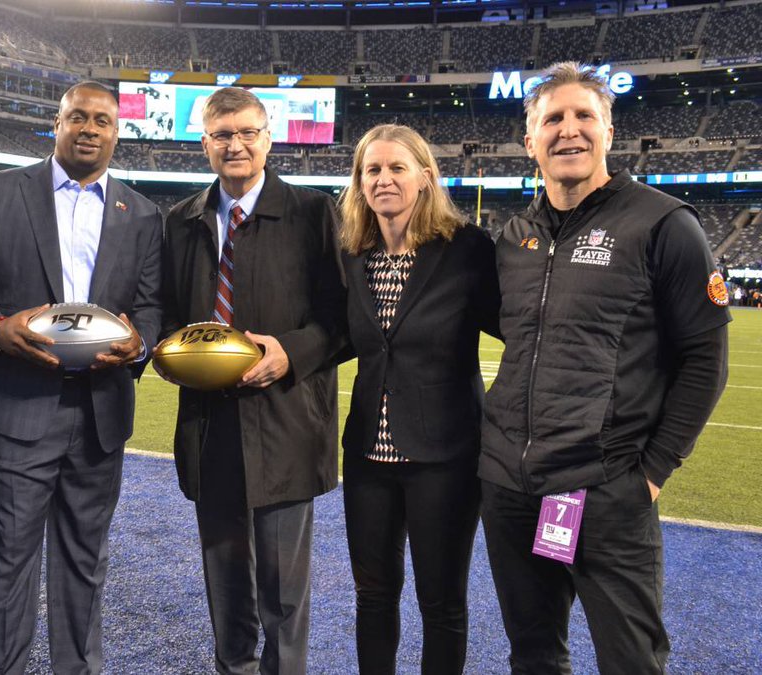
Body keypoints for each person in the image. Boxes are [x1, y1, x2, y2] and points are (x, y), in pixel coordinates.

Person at [480, 61, 730, 674]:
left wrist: (652, 471)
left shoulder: (664, 223)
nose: (569, 130)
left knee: (631, 660)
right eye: (553, 119)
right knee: (534, 655)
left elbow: (705, 358)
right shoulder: (513, 237)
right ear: (529, 140)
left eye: (583, 116)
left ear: (609, 131)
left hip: (605, 486)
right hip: (513, 486)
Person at [0, 80, 162, 674]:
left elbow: (148, 307)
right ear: (57, 123)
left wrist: (136, 343)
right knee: (12, 555)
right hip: (20, 404)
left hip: (101, 414)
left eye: (102, 121)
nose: (89, 129)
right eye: (77, 118)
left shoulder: (141, 213)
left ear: (117, 132)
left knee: (84, 560)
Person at [160, 86, 346, 675]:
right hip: (210, 425)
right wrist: (178, 356)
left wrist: (289, 353)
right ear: (205, 143)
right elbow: (166, 316)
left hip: (285, 420)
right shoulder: (181, 220)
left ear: (268, 138)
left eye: (247, 132)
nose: (235, 144)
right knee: (225, 584)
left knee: (283, 590)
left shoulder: (314, 212)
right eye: (222, 135)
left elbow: (343, 321)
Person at [337, 124, 499, 675]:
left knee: (442, 603)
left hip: (446, 458)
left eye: (397, 167)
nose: (383, 179)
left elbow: (520, 330)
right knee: (373, 597)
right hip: (367, 458)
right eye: (372, 170)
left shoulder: (467, 249)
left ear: (426, 177)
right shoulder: (352, 253)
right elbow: (335, 335)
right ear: (359, 182)